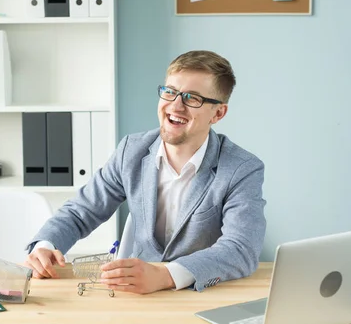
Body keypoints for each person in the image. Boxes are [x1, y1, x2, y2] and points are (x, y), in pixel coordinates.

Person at [23, 50, 267, 294]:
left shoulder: (241, 168)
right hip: (135, 295)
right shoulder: (132, 150)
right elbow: (82, 211)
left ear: (218, 113)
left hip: (203, 295)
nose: (176, 105)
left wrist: (166, 275)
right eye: (170, 92)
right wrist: (45, 245)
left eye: (192, 98)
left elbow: (241, 249)